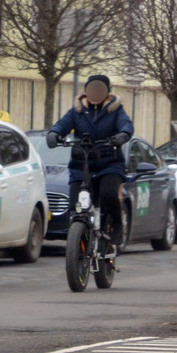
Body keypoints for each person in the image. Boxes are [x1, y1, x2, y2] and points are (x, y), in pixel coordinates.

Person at [47, 75, 135, 248]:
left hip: (109, 164)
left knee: (108, 194)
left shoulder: (115, 110)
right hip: (82, 165)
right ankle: (79, 241)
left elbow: (126, 124)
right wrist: (54, 134)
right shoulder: (77, 110)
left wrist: (123, 135)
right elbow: (63, 124)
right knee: (75, 205)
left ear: (107, 92)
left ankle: (116, 226)